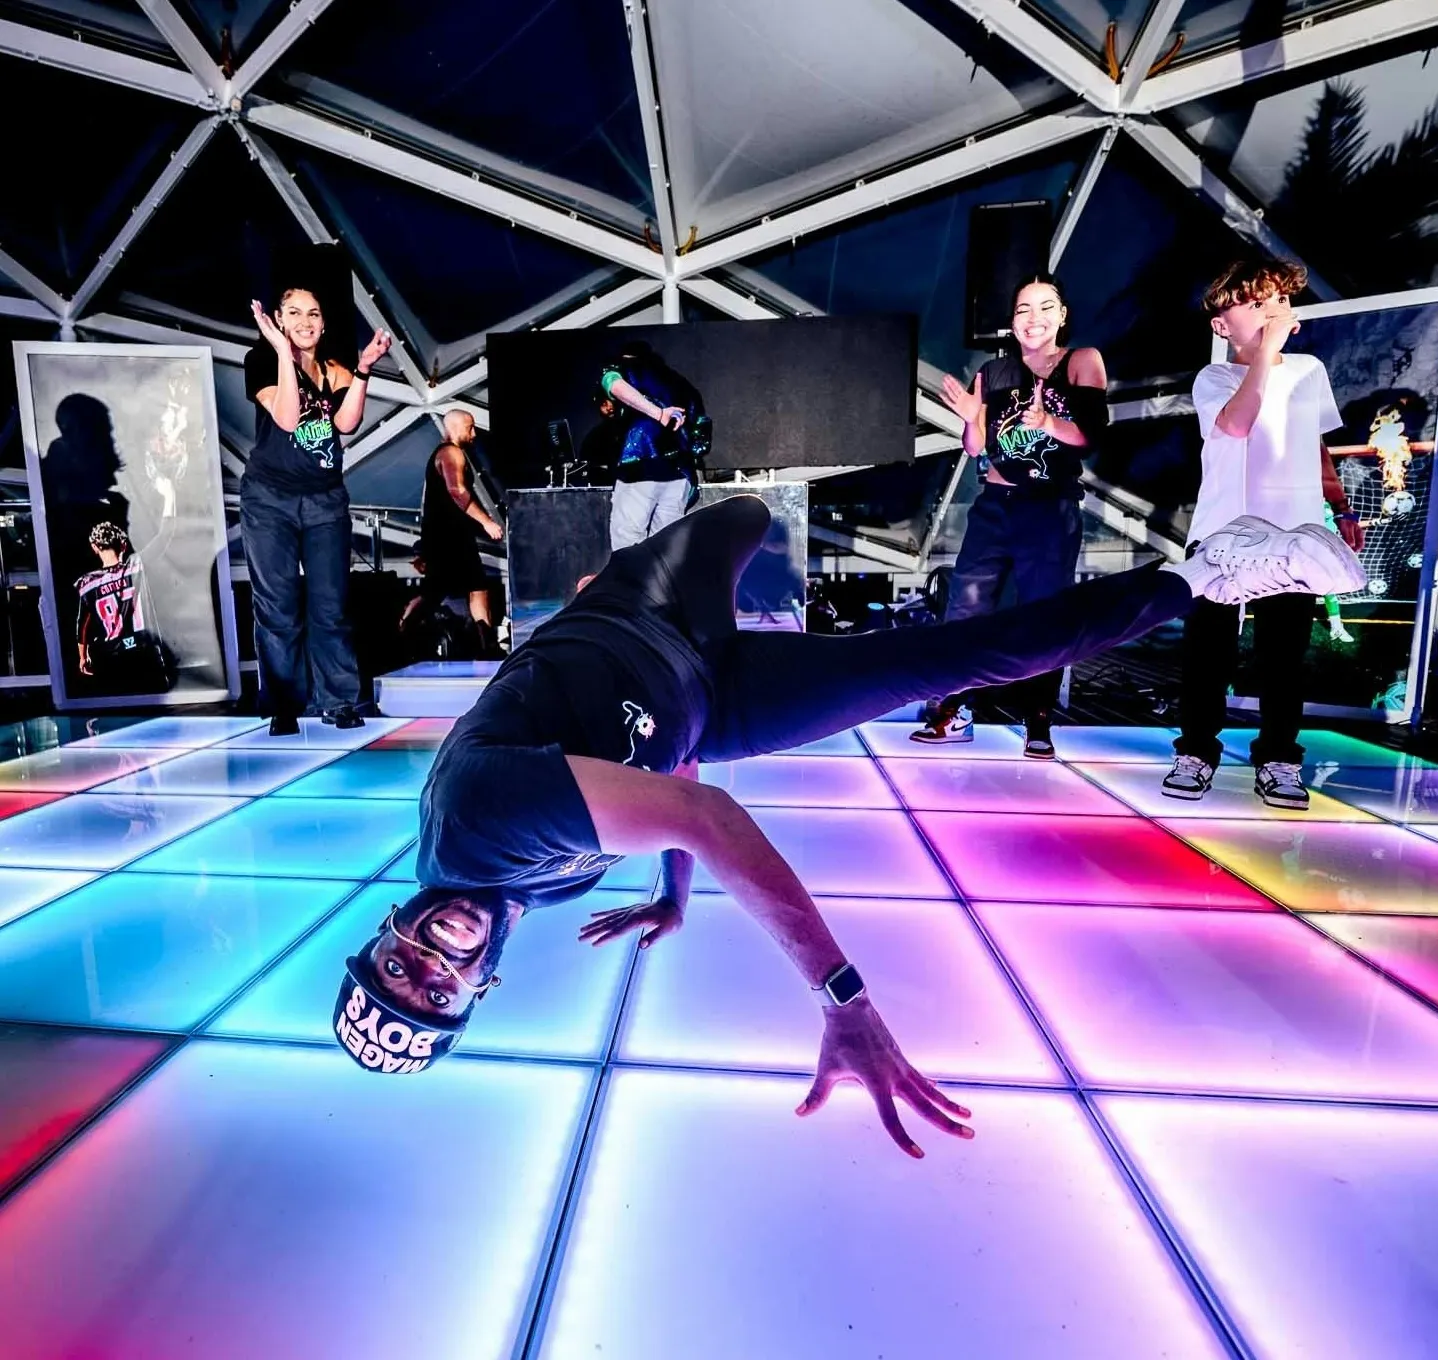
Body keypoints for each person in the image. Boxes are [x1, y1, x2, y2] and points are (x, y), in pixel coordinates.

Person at [328, 495, 1366, 1154]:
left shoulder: (478, 821)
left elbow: (700, 812)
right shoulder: (518, 892)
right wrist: (670, 890)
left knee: (738, 516)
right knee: (955, 661)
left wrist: (841, 995)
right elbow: (666, 785)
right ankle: (1206, 572)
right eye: (434, 995)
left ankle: (685, 513)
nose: (425, 967)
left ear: (381, 935)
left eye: (394, 971)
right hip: (709, 700)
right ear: (479, 991)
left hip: (646, 609)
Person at [1161, 259, 1366, 811]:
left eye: (1274, 300)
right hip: (1223, 531)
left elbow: (1319, 444)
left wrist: (1340, 507)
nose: (1268, 310)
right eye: (1252, 304)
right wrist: (1266, 357)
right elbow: (1236, 423)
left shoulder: (1309, 370)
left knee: (1284, 654)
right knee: (1209, 650)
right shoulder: (1215, 378)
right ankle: (1196, 752)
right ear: (1221, 325)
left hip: (1294, 531)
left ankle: (1278, 758)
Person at [912, 275, 1109, 759]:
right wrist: (970, 419)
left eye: (1045, 307)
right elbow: (977, 448)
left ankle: (1037, 718)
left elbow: (1090, 434)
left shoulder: (1082, 361)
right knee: (965, 607)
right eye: (1023, 309)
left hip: (1049, 509)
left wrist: (1047, 423)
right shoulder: (996, 372)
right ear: (1011, 321)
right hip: (994, 505)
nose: (1034, 318)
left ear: (1062, 315)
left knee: (1044, 614)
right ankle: (956, 709)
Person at [244, 291, 390, 735]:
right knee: (278, 605)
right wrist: (282, 353)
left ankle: (339, 700)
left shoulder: (335, 369)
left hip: (325, 500)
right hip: (270, 499)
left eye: (314, 312)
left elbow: (346, 424)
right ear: (280, 321)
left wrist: (364, 368)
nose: (305, 320)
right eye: (294, 313)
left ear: (323, 324)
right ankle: (284, 705)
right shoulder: (262, 360)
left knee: (331, 605)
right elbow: (288, 419)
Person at [403, 410, 504, 659]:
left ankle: (487, 647)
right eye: (470, 427)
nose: (474, 433)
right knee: (448, 591)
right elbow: (457, 491)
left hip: (447, 536)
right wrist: (487, 522)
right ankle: (403, 632)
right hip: (449, 538)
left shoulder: (443, 454)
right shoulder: (451, 453)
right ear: (457, 427)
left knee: (468, 588)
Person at [599, 341, 707, 550]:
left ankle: (631, 583)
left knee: (628, 540)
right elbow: (701, 433)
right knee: (667, 546)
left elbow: (614, 384)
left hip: (639, 465)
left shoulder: (622, 369)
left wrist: (658, 414)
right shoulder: (680, 382)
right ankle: (662, 583)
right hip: (679, 473)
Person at [73, 522, 172, 694]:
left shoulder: (88, 583)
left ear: (95, 548)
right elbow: (164, 537)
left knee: (120, 713)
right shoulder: (136, 566)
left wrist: (83, 656)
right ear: (124, 545)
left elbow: (83, 626)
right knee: (158, 709)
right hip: (145, 651)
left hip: (112, 657)